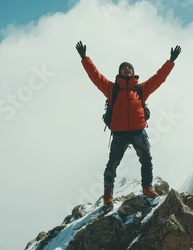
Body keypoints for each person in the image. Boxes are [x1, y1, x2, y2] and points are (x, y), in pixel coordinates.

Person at [75, 41, 181, 205]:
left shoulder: (140, 89)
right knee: (112, 164)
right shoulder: (112, 89)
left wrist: (171, 61)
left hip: (138, 131)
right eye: (124, 68)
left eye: (129, 68)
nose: (127, 69)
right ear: (119, 72)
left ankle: (147, 187)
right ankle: (108, 194)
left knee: (146, 159)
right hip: (119, 134)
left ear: (132, 72)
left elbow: (159, 78)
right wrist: (84, 58)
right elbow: (95, 76)